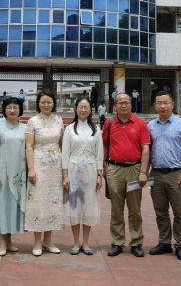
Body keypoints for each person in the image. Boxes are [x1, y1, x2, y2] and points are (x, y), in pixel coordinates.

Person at [147, 91, 181, 261]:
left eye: (166, 102)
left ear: (172, 104)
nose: (162, 106)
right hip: (156, 174)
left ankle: (180, 245)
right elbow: (147, 150)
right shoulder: (150, 126)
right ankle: (164, 242)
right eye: (159, 103)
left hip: (176, 173)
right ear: (155, 106)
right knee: (160, 212)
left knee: (179, 212)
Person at [103, 92, 151, 258]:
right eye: (120, 102)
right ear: (114, 106)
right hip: (114, 170)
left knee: (135, 210)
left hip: (134, 169)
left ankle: (136, 242)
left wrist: (143, 171)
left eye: (126, 102)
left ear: (131, 104)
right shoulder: (109, 123)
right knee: (116, 209)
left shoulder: (140, 124)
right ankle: (117, 242)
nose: (123, 105)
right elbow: (105, 145)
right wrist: (105, 166)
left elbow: (146, 149)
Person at [62, 96, 104, 255]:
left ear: (91, 109)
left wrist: (99, 175)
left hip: (91, 172)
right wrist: (65, 176)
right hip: (73, 171)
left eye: (86, 107)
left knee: (88, 206)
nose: (84, 110)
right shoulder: (69, 129)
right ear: (76, 109)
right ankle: (75, 243)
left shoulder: (96, 130)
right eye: (81, 107)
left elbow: (99, 154)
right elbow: (65, 155)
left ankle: (85, 243)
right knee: (74, 206)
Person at [25, 89, 65, 256]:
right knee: (38, 202)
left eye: (49, 102)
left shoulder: (59, 120)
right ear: (38, 104)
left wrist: (64, 170)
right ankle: (37, 241)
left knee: (52, 202)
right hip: (39, 165)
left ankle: (48, 240)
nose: (46, 105)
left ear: (53, 103)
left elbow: (62, 145)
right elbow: (29, 146)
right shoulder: (32, 121)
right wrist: (31, 168)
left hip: (55, 167)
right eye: (43, 102)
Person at [0, 97, 27, 256]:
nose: (12, 110)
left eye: (15, 107)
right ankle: (1, 241)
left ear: (20, 110)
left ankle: (9, 240)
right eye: (9, 107)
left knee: (13, 207)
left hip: (20, 173)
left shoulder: (26, 128)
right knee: (2, 206)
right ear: (4, 110)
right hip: (2, 172)